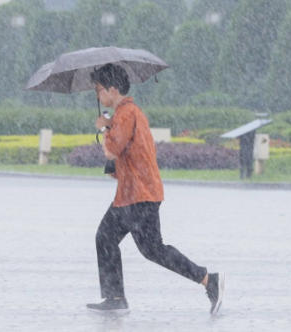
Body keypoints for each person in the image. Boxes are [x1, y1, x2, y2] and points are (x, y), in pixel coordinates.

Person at [86, 63, 224, 314]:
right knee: (126, 243)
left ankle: (208, 279)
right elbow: (130, 154)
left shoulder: (126, 113)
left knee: (145, 247)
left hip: (138, 196)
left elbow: (112, 149)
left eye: (98, 89)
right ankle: (117, 297)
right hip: (133, 195)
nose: (97, 95)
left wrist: (103, 128)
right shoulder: (124, 114)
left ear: (112, 89)